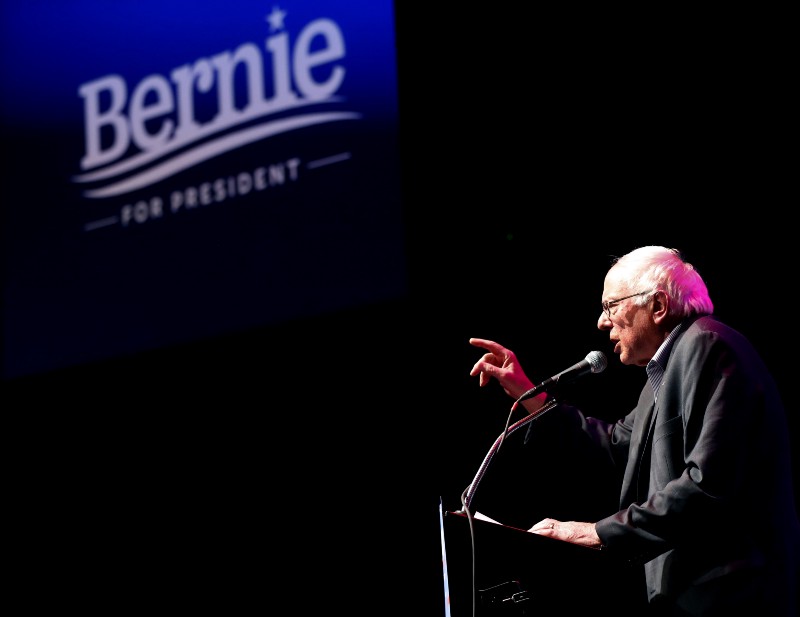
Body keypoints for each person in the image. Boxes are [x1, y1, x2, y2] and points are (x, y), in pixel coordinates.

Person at [468, 245, 800, 616]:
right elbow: (613, 447)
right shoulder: (668, 370)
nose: (601, 321)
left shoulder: (707, 346)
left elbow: (708, 485)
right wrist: (529, 393)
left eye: (611, 305)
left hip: (726, 599)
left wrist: (595, 532)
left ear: (657, 307)